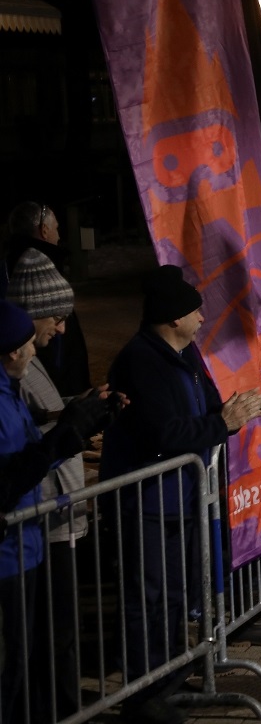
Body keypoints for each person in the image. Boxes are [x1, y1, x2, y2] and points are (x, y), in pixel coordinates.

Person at [101, 265, 261, 723]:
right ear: (172, 318)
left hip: (184, 497)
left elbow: (209, 410)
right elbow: (165, 431)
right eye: (193, 309)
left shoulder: (186, 354)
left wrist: (239, 410)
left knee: (175, 595)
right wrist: (222, 422)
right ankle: (143, 693)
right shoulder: (141, 361)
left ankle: (170, 676)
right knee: (147, 599)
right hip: (147, 502)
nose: (201, 316)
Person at [0, 300, 118, 723]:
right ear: (13, 350)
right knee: (13, 666)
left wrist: (76, 420)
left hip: (28, 545)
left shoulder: (10, 390)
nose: (35, 354)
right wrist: (66, 434)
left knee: (26, 659)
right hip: (9, 556)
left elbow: (33, 446)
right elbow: (12, 476)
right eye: (30, 345)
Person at [7, 249, 89, 715]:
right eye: (55, 318)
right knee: (39, 642)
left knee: (53, 637)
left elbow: (43, 419)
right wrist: (68, 425)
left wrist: (79, 413)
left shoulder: (29, 364)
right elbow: (28, 441)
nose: (59, 330)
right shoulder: (15, 369)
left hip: (47, 522)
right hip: (32, 527)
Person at [5, 201, 91, 396]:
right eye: (57, 229)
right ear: (44, 230)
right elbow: (59, 353)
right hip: (54, 392)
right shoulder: (43, 268)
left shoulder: (6, 267)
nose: (59, 236)